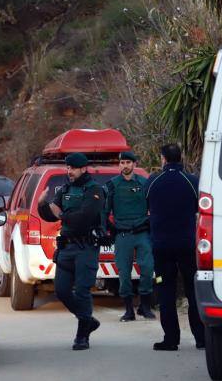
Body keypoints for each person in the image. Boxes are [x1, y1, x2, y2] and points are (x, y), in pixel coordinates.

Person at [38, 152, 104, 350]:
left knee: (83, 291)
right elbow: (51, 215)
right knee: (62, 290)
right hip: (66, 248)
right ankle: (88, 320)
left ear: (83, 169)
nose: (69, 171)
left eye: (73, 168)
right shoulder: (65, 189)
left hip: (86, 248)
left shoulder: (94, 190)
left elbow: (85, 216)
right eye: (68, 168)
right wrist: (43, 204)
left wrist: (62, 214)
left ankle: (82, 335)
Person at [144, 143, 205, 351]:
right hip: (187, 245)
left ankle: (171, 339)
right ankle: (201, 338)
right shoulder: (192, 181)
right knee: (192, 291)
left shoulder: (153, 182)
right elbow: (201, 208)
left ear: (163, 159)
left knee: (165, 291)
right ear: (180, 158)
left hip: (161, 247)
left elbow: (145, 207)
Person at [104, 150, 155, 322]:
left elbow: (153, 208)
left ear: (134, 164)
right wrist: (110, 229)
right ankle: (128, 311)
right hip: (123, 235)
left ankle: (145, 307)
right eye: (122, 163)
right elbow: (104, 211)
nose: (125, 166)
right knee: (124, 274)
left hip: (142, 234)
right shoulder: (112, 185)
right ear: (119, 165)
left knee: (147, 270)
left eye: (128, 162)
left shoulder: (144, 183)